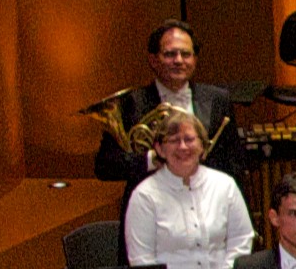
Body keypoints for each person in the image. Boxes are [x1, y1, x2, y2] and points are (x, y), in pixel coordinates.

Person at [121, 110, 256, 269]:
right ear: (160, 149)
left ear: (202, 146)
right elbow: (142, 260)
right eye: (174, 140)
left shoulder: (225, 185)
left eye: (189, 139)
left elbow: (241, 241)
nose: (183, 147)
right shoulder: (144, 195)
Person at [89, 20, 238, 183]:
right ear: (153, 60)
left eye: (186, 54)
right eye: (170, 54)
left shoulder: (217, 99)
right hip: (150, 204)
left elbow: (233, 163)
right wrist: (152, 158)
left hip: (205, 202)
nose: (179, 60)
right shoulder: (130, 103)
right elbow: (104, 167)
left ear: (195, 59)